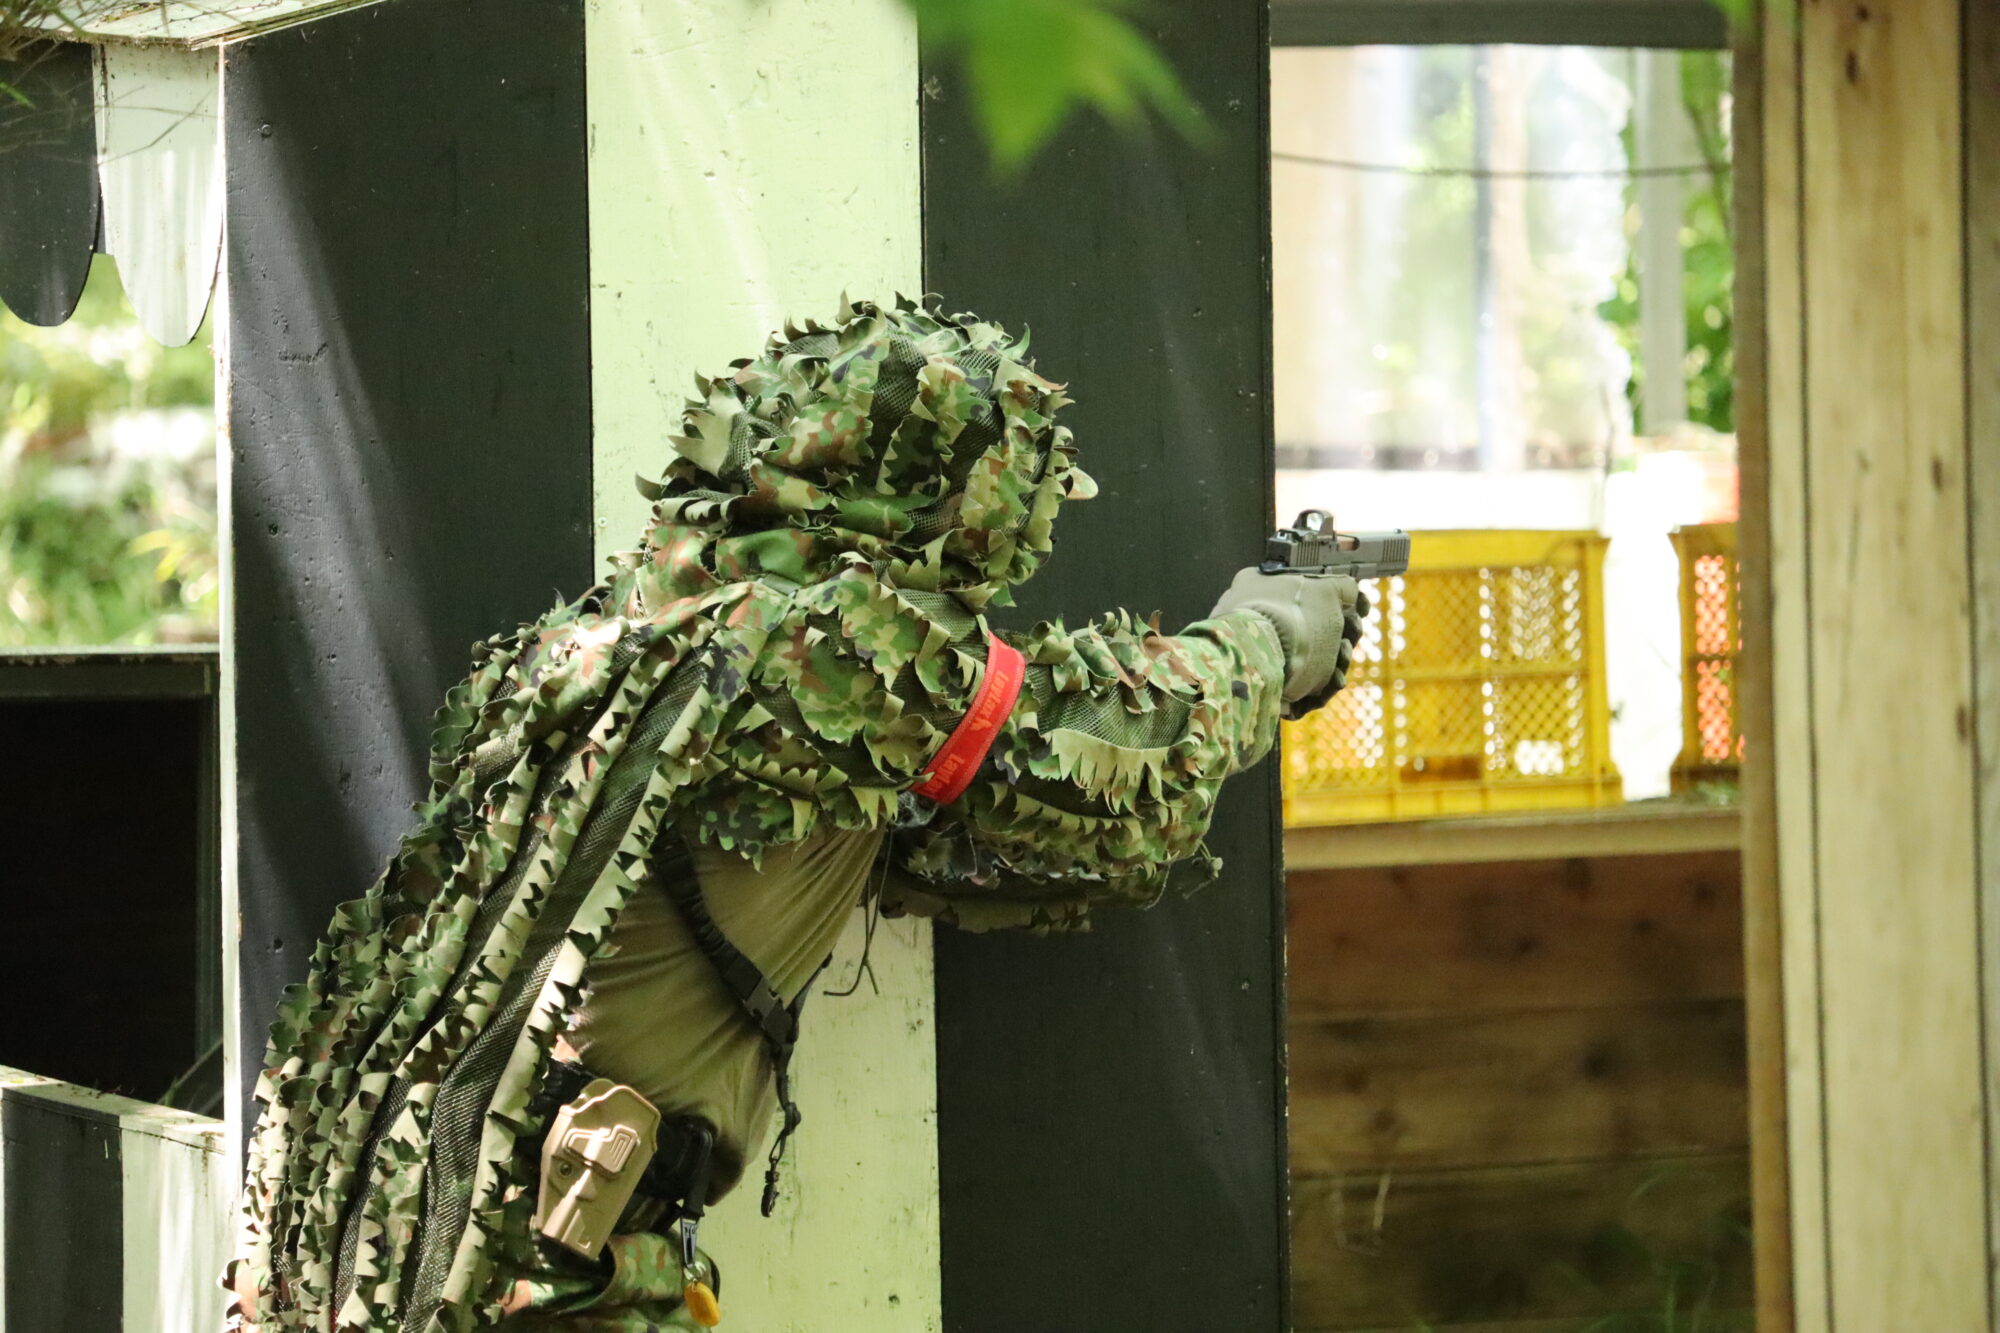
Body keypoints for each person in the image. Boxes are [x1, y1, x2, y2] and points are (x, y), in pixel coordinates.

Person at [226, 296, 1366, 1333]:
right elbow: (1127, 756)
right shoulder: (818, 647)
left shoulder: (598, 645)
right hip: (524, 1281)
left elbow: (951, 838)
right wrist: (1277, 633)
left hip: (359, 1259)